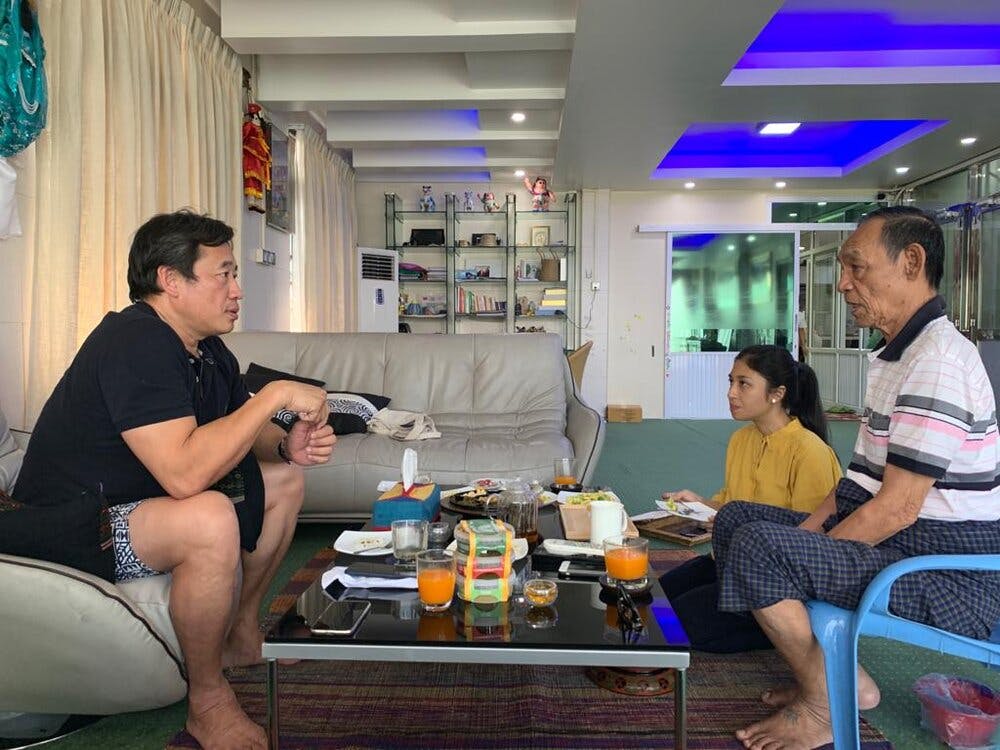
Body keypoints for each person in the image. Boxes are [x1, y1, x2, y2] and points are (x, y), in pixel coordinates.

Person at [13, 210, 336, 750]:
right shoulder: (135, 339)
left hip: (133, 508)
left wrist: (283, 444)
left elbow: (236, 428)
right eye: (225, 274)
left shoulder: (206, 350)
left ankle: (240, 634)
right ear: (170, 280)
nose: (237, 291)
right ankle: (206, 701)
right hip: (67, 528)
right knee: (205, 516)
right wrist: (277, 395)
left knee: (282, 480)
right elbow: (185, 474)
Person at [712, 206, 1000, 750]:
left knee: (759, 548)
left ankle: (825, 705)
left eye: (856, 267)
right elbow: (856, 487)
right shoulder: (898, 355)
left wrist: (800, 560)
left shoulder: (938, 361)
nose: (843, 283)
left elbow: (896, 510)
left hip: (945, 573)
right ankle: (838, 682)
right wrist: (801, 545)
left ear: (911, 262)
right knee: (737, 520)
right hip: (903, 544)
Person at [659, 345, 841, 652]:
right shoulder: (742, 439)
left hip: (771, 581)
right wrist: (698, 502)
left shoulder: (810, 451)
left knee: (674, 625)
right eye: (731, 381)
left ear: (776, 393)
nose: (731, 393)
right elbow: (731, 504)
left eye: (744, 384)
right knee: (655, 598)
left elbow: (815, 537)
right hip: (728, 562)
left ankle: (782, 630)